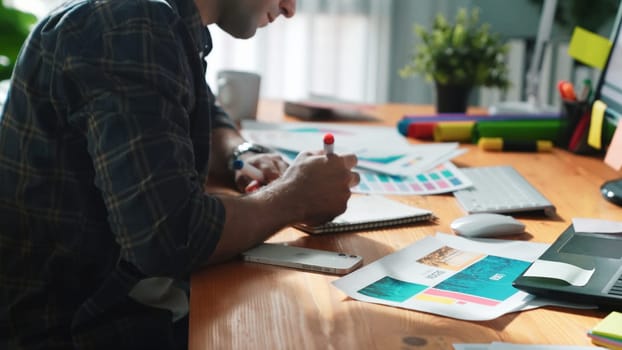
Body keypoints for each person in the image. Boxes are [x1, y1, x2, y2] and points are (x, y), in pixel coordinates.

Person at [0, 0, 360, 348]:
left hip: (113, 302)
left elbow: (201, 104)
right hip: (82, 327)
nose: (290, 8)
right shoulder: (130, 24)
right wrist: (294, 196)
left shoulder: (157, 19)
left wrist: (240, 153)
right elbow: (170, 237)